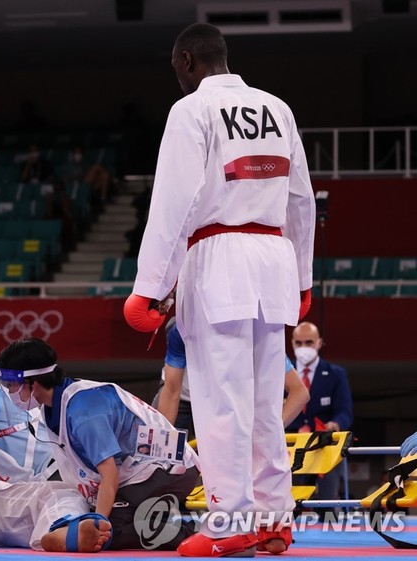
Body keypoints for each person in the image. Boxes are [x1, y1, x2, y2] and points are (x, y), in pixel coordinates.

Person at [123, 23, 316, 557]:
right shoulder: (277, 108)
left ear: (187, 60)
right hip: (273, 257)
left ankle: (231, 522)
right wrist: (303, 278)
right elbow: (302, 200)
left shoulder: (191, 111)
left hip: (219, 257)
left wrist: (148, 288)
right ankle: (274, 518)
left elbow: (174, 203)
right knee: (259, 397)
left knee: (218, 399)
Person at [0, 338, 200, 551]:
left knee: (107, 534)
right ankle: (157, 514)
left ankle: (185, 531)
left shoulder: (83, 411)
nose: (9, 392)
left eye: (11, 385)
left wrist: (98, 523)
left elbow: (109, 475)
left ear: (32, 382)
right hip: (138, 470)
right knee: (87, 516)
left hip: (169, 468)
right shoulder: (52, 407)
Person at [154, 317, 310, 434]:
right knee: (157, 446)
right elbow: (172, 390)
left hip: (229, 402)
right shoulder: (183, 330)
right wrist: (160, 442)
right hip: (183, 398)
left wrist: (268, 433)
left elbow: (300, 392)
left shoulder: (260, 337)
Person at [286, 321, 352, 516]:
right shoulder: (280, 373)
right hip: (291, 447)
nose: (304, 347)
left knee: (327, 506)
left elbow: (345, 411)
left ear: (319, 343)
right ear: (291, 343)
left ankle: (332, 542)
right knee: (288, 506)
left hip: (325, 446)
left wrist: (335, 424)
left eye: (309, 342)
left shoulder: (335, 374)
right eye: (299, 343)